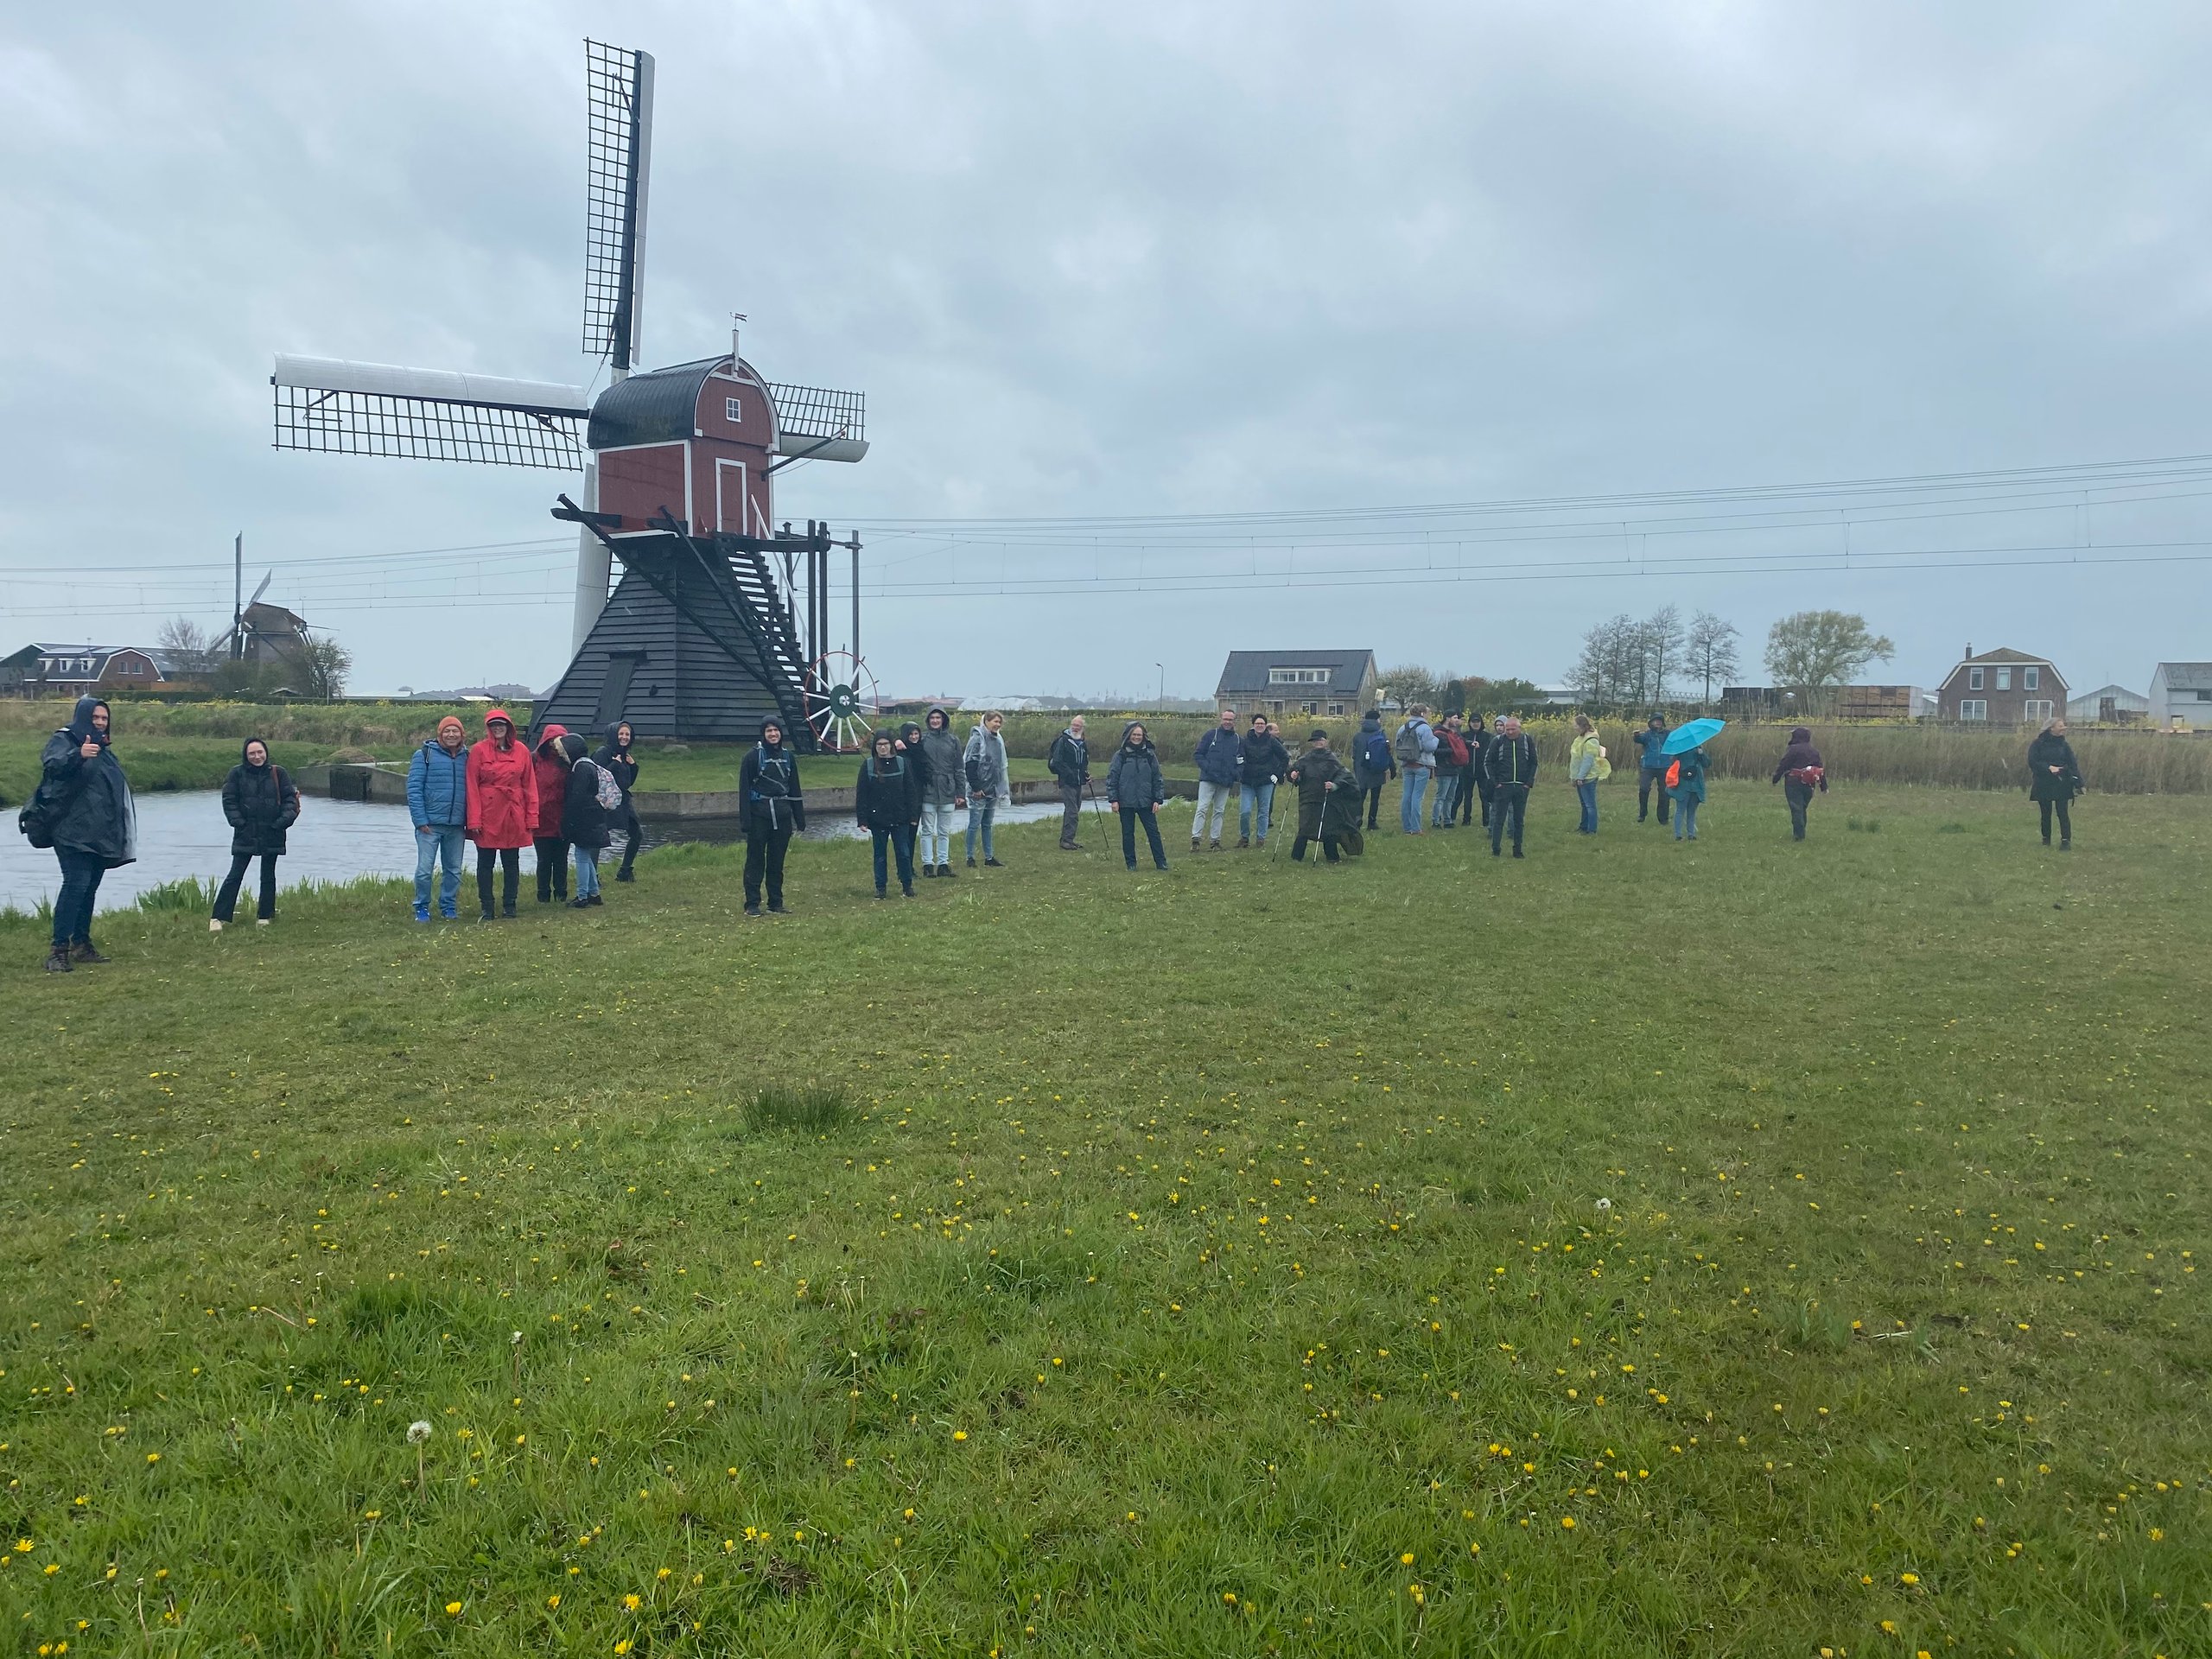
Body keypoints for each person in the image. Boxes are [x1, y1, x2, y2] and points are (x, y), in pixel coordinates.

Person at [29, 696, 134, 972]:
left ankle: (81, 944)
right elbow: (52, 765)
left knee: (89, 888)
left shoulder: (104, 749)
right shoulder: (65, 739)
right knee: (76, 884)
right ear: (83, 717)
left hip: (98, 832)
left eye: (104, 718)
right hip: (70, 831)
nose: (100, 722)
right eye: (95, 717)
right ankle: (58, 951)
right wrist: (79, 754)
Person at [210, 738, 299, 931]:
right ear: (246, 755)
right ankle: (218, 917)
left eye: (260, 752)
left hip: (272, 831)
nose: (257, 757)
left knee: (268, 875)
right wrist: (239, 823)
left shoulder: (278, 773)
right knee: (235, 874)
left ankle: (265, 916)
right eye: (252, 753)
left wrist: (281, 823)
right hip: (246, 832)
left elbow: (290, 800)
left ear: (266, 753)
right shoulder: (236, 774)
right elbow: (229, 801)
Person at [466, 708, 537, 921]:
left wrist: (532, 816)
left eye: (501, 724)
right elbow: (471, 787)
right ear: (488, 728)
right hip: (487, 814)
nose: (497, 728)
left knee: (511, 862)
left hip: (514, 812)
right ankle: (487, 907)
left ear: (509, 727)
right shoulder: (478, 751)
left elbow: (530, 786)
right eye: (493, 725)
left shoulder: (522, 751)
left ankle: (510, 905)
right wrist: (474, 819)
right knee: (485, 863)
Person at [406, 715, 469, 922]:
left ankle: (448, 906)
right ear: (440, 734)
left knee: (454, 871)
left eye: (455, 731)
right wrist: (420, 820)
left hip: (457, 825)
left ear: (462, 734)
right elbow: (414, 789)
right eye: (447, 731)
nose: (451, 735)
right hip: (430, 825)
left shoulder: (467, 757)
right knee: (425, 870)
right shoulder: (424, 755)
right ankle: (421, 906)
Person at [739, 717, 804, 914]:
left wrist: (800, 818)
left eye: (776, 730)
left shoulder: (788, 757)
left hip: (782, 816)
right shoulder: (752, 757)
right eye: (769, 731)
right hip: (759, 816)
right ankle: (752, 903)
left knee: (777, 862)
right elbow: (744, 790)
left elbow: (794, 788)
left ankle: (775, 902)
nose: (773, 734)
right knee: (755, 860)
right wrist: (746, 821)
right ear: (763, 734)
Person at [855, 729, 922, 897]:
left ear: (891, 745)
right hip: (878, 818)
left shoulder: (902, 763)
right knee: (880, 855)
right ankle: (880, 888)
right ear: (875, 747)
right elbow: (862, 794)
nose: (883, 747)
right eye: (879, 744)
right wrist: (862, 819)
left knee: (904, 853)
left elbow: (911, 791)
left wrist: (913, 816)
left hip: (900, 817)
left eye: (885, 744)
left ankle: (907, 885)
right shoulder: (868, 765)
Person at [1106, 720, 1169, 871]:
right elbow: (1112, 778)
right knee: (1128, 834)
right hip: (1125, 801)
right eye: (1134, 734)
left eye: (1139, 735)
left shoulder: (1150, 755)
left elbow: (1157, 778)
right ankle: (1131, 864)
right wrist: (1114, 800)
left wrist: (1157, 799)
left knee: (1153, 833)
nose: (1136, 737)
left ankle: (1161, 863)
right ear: (1128, 736)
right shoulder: (1120, 755)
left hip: (1146, 801)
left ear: (1143, 736)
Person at [1285, 728, 1352, 862]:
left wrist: (1334, 785)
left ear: (1326, 741)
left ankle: (1332, 857)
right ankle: (1296, 857)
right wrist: (1294, 776)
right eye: (1315, 741)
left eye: (1321, 740)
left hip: (1327, 798)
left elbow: (1344, 775)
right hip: (1308, 798)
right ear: (1312, 743)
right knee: (1305, 826)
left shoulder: (1332, 759)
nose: (1318, 743)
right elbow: (1294, 772)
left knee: (1328, 827)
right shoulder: (1305, 759)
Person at [560, 732, 610, 908]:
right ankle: (594, 893)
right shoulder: (588, 764)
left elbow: (577, 797)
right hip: (593, 817)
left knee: (581, 856)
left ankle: (582, 896)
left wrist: (568, 820)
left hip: (584, 819)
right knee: (585, 855)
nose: (561, 754)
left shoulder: (580, 768)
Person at [915, 706, 966, 878]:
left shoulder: (953, 741)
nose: (935, 721)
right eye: (932, 718)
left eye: (938, 718)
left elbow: (959, 768)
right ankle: (928, 865)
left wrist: (960, 793)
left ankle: (943, 864)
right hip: (928, 790)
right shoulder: (923, 740)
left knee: (944, 831)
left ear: (943, 720)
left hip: (948, 790)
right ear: (928, 720)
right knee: (927, 830)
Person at [1483, 714, 1538, 858]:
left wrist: (1528, 783)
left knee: (1519, 820)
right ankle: (1496, 849)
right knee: (1499, 819)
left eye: (1513, 729)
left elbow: (1534, 762)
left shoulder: (1526, 740)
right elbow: (1487, 762)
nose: (1510, 732)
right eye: (1507, 729)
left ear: (1519, 728)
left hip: (1521, 787)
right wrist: (1496, 783)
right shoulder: (1497, 741)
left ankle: (1517, 850)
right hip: (1503, 787)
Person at [963, 710, 1012, 869]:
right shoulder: (977, 739)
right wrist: (976, 787)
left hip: (993, 790)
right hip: (978, 791)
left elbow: (1000, 765)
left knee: (987, 824)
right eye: (994, 721)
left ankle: (989, 857)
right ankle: (970, 857)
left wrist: (1001, 789)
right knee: (974, 824)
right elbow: (970, 764)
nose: (997, 724)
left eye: (999, 722)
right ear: (986, 721)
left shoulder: (998, 740)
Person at [595, 720, 643, 881]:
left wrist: (634, 766)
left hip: (623, 801)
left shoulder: (625, 755)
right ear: (613, 735)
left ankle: (625, 871)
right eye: (621, 734)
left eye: (627, 734)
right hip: (606, 801)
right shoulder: (603, 752)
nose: (624, 737)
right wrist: (615, 763)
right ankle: (593, 877)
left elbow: (628, 782)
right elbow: (598, 776)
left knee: (637, 834)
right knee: (598, 837)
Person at [530, 723, 571, 905]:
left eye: (559, 741)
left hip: (563, 818)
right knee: (544, 860)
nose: (554, 745)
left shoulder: (569, 762)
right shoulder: (534, 760)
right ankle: (543, 894)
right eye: (551, 741)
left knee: (561, 859)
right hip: (541, 818)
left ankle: (561, 893)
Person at [2027, 717, 2082, 848]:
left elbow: (2073, 763)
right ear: (2051, 728)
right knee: (2045, 812)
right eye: (2060, 726)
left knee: (2062, 812)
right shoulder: (2038, 744)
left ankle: (2066, 841)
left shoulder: (2064, 745)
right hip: (2043, 781)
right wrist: (2048, 768)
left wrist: (2079, 782)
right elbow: (2033, 761)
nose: (2064, 728)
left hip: (2062, 782)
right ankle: (2046, 839)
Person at [1236, 713, 1288, 849]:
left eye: (1262, 724)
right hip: (1247, 781)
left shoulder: (1272, 741)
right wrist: (1239, 765)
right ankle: (1244, 837)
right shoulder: (1245, 740)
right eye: (1257, 723)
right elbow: (1239, 755)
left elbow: (1285, 757)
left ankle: (1261, 839)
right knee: (1245, 811)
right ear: (1253, 725)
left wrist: (1277, 774)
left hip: (1265, 782)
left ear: (1265, 726)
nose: (1259, 726)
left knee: (1263, 812)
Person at [1192, 708, 1242, 852]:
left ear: (1234, 721)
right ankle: (1195, 839)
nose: (1228, 722)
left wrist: (1235, 774)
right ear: (1221, 719)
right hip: (1208, 779)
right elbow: (1198, 754)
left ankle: (1215, 841)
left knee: (1219, 810)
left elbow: (1241, 761)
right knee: (1202, 808)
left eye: (1230, 720)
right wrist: (1208, 768)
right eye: (1225, 719)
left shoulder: (1238, 740)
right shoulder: (1210, 735)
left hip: (1226, 781)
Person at [1770, 726, 1827, 841]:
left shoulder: (1793, 750)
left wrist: (1776, 779)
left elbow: (1784, 765)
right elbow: (1820, 770)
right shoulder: (1814, 752)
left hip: (1793, 783)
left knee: (1797, 808)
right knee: (1802, 808)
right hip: (1809, 784)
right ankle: (1801, 832)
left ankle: (1799, 836)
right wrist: (1823, 786)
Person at [1047, 714, 1090, 850]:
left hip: (1078, 782)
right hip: (1067, 782)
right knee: (1072, 811)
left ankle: (1068, 839)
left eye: (1078, 726)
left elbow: (1084, 762)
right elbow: (1057, 761)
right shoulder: (1063, 741)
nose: (1075, 728)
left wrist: (1085, 774)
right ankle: (1066, 841)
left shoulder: (1082, 743)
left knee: (1075, 810)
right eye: (1074, 725)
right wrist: (1069, 773)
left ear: (1082, 727)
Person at [1393, 704, 1438, 833]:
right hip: (1421, 764)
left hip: (1406, 764)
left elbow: (1397, 744)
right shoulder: (1425, 728)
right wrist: (1436, 740)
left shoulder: (1403, 727)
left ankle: (1407, 827)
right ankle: (1416, 828)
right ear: (1423, 713)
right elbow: (1429, 747)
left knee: (1407, 795)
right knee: (1417, 797)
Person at [1351, 709, 1397, 830]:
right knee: (1375, 798)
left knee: (1360, 797)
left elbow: (1354, 756)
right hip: (1377, 771)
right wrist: (1392, 768)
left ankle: (1357, 819)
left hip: (1361, 771)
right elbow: (1387, 753)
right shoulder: (1380, 734)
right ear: (1377, 720)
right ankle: (1372, 822)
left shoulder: (1357, 736)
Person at [1567, 714, 1605, 835]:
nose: (1574, 727)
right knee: (1584, 804)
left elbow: (1588, 761)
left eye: (1575, 725)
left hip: (1588, 777)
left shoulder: (1591, 740)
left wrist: (1580, 777)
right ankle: (1583, 827)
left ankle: (1592, 829)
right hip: (1580, 776)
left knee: (1590, 805)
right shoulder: (1581, 738)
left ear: (1582, 726)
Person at [1430, 713, 1470, 828]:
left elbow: (1462, 742)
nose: (1457, 720)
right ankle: (1436, 821)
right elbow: (1435, 751)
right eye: (1455, 718)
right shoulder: (1438, 733)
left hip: (1455, 767)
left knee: (1450, 797)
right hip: (1443, 768)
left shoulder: (1454, 733)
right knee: (1441, 796)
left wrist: (1469, 744)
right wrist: (1451, 751)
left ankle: (1448, 820)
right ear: (1448, 718)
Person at [1634, 714, 1672, 825]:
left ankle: (1663, 818)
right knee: (1644, 789)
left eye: (1660, 720)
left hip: (1664, 766)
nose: (1658, 722)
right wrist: (1636, 736)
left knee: (1664, 793)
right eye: (1656, 720)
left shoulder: (1668, 734)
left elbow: (1676, 740)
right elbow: (1639, 739)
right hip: (1648, 766)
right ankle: (1642, 813)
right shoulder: (1647, 735)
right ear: (1651, 723)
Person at [1669, 743, 1710, 842]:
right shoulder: (1683, 749)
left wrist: (1702, 754)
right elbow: (1707, 764)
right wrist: (1701, 753)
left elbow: (1706, 763)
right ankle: (1683, 834)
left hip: (1693, 785)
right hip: (1687, 785)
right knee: (1683, 810)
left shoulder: (1690, 748)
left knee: (1686, 810)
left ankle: (1688, 834)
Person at [1461, 714, 1492, 827]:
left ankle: (1486, 820)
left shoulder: (1488, 737)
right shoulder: (1464, 736)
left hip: (1482, 772)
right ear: (1469, 723)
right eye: (1473, 722)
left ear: (1481, 723)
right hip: (1467, 771)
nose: (1475, 724)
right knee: (1467, 796)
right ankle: (1466, 819)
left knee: (1484, 797)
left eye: (1477, 721)